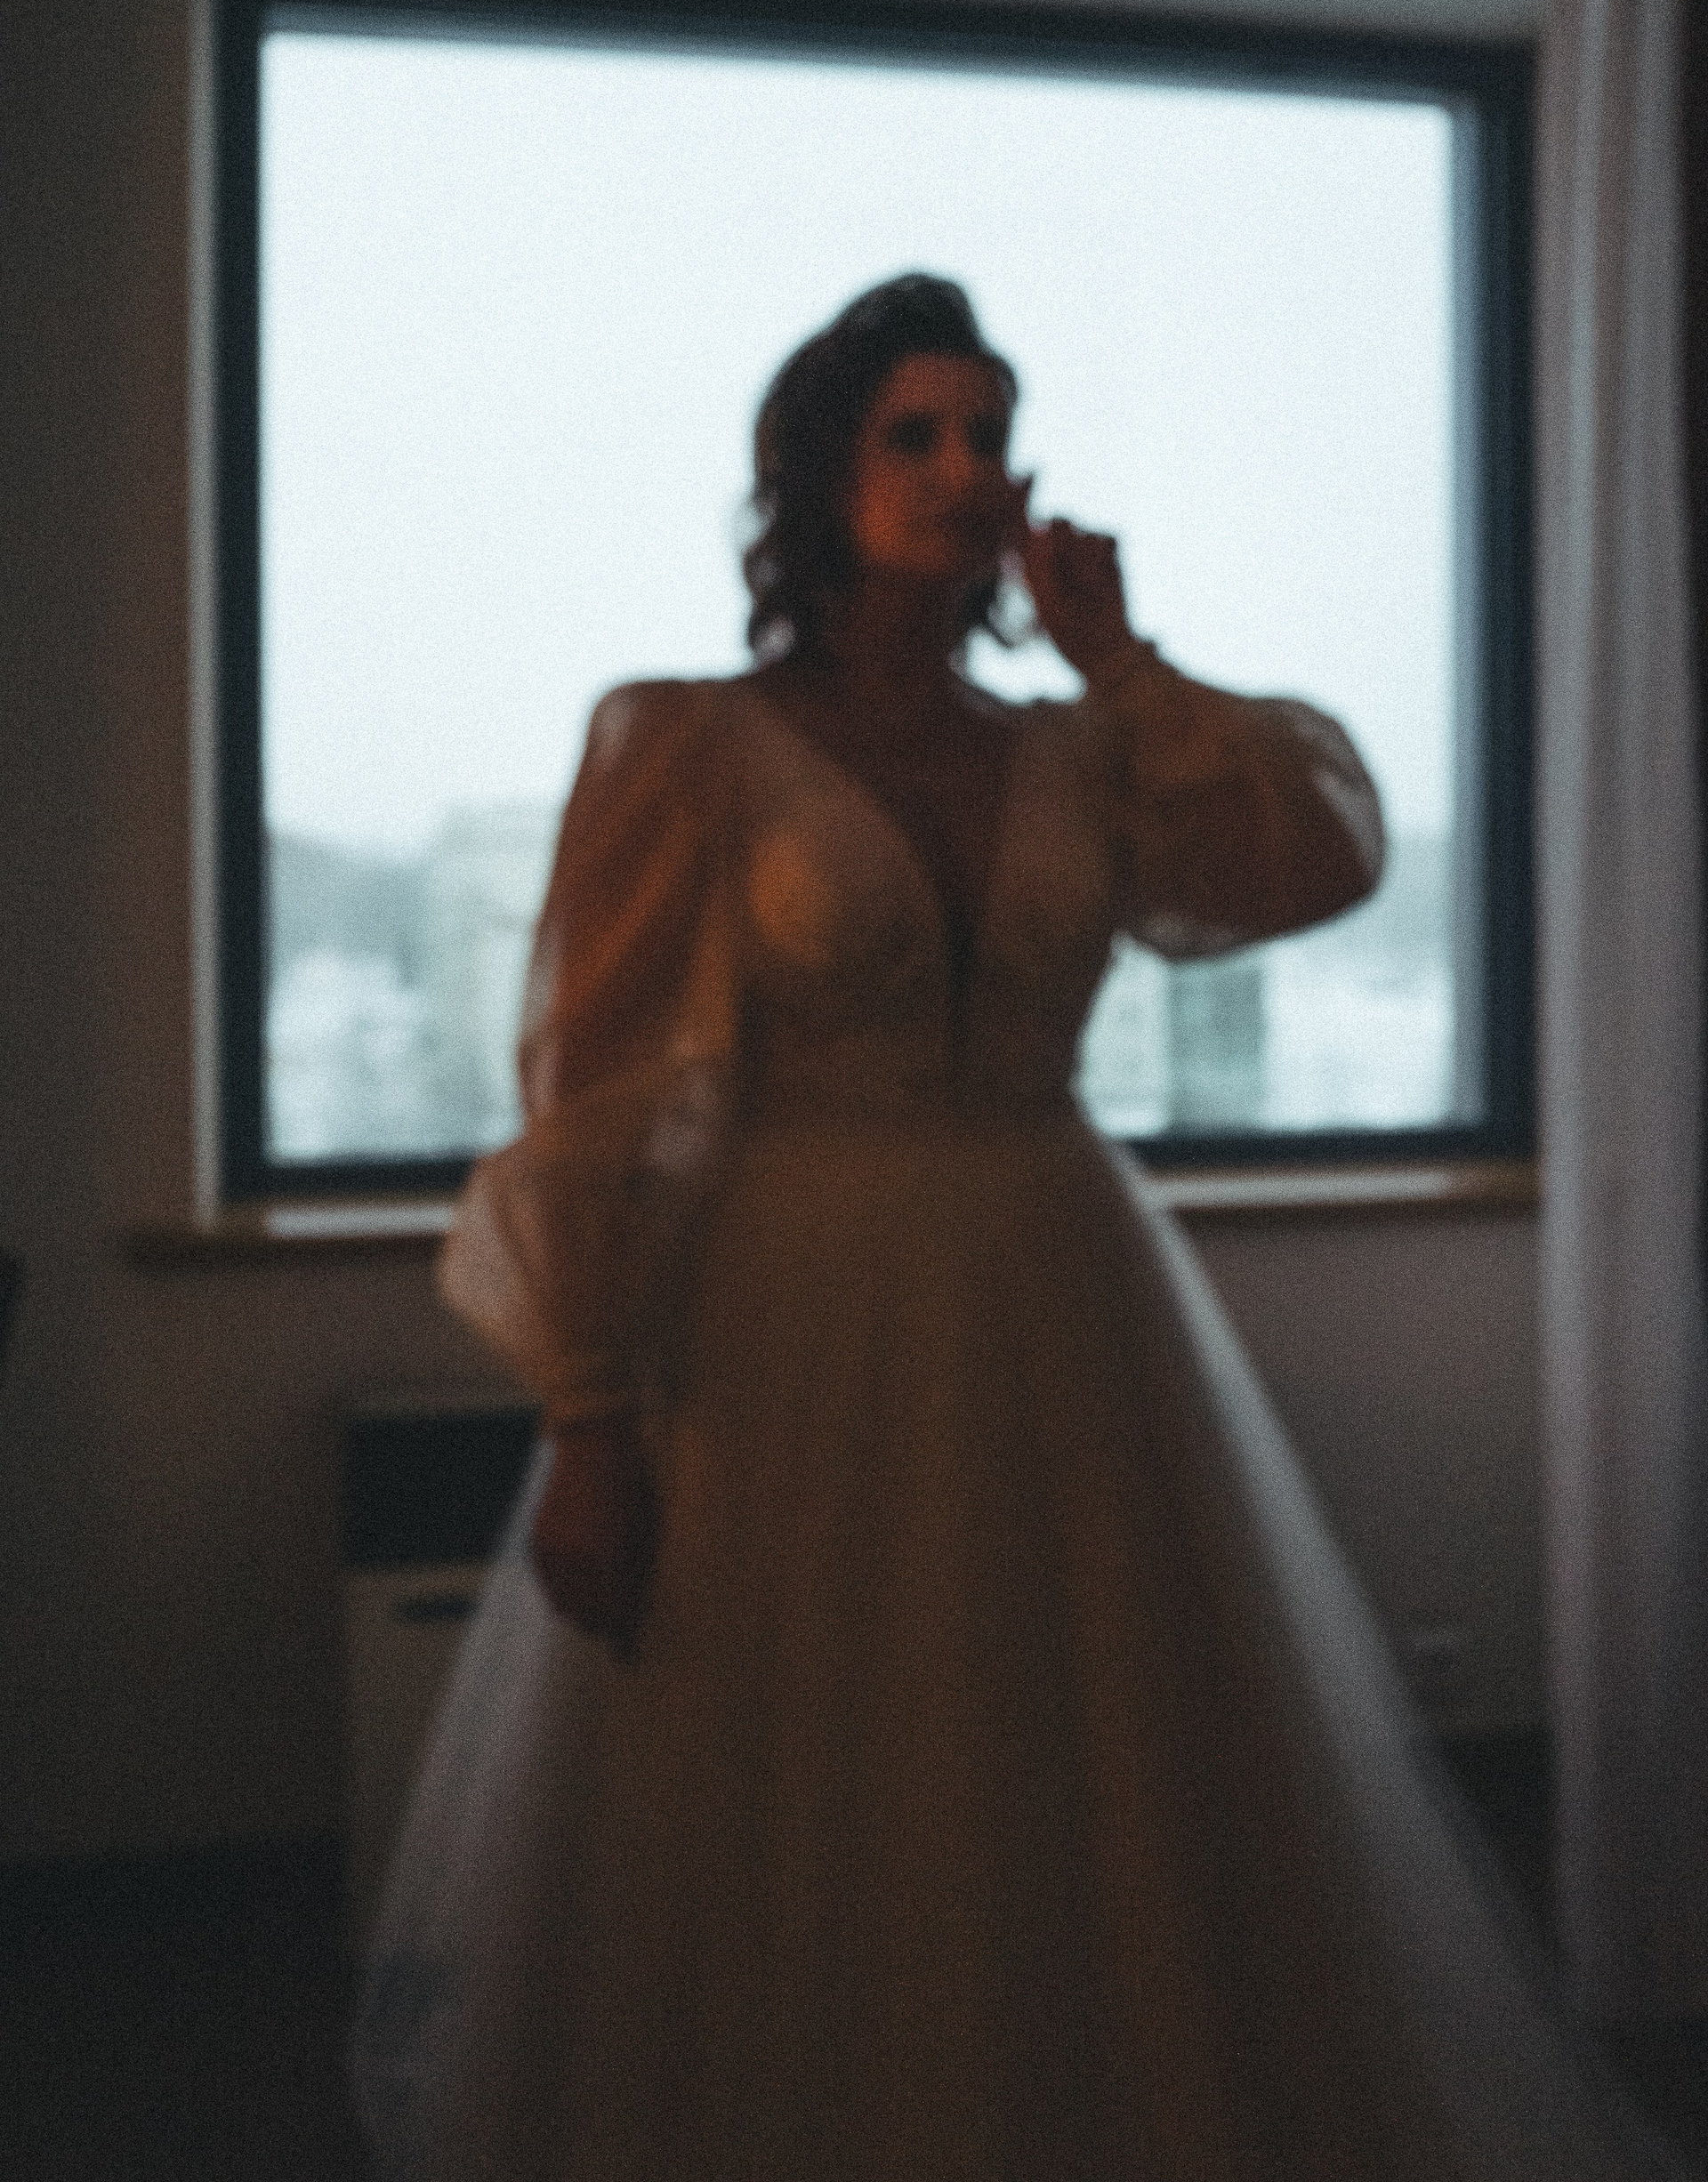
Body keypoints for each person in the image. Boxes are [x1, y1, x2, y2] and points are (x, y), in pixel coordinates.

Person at [351, 277, 1683, 2181]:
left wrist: (1121, 660)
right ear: (820, 477)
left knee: (1090, 1757)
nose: (962, 469)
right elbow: (597, 1082)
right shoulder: (687, 742)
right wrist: (587, 1408)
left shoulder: (1077, 748)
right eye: (914, 434)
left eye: (989, 433)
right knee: (801, 1759)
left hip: (1063, 1297)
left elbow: (1314, 855)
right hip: (790, 1313)